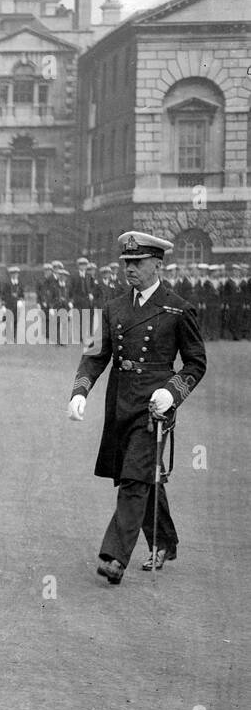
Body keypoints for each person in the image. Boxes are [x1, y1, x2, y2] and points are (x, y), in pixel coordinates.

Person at [68, 232, 206, 583]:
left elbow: (195, 363)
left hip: (155, 405)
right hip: (121, 401)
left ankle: (114, 556)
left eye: (138, 263)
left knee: (135, 475)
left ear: (158, 265)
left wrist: (172, 393)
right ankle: (163, 540)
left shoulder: (178, 308)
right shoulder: (114, 307)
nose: (130, 269)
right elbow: (95, 354)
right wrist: (80, 391)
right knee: (141, 474)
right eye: (126, 262)